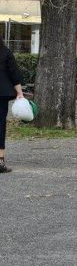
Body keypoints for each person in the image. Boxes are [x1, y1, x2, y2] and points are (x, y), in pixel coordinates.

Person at [0, 38, 24, 173]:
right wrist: (19, 93)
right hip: (1, 93)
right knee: (0, 125)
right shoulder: (5, 52)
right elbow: (14, 74)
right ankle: (0, 160)